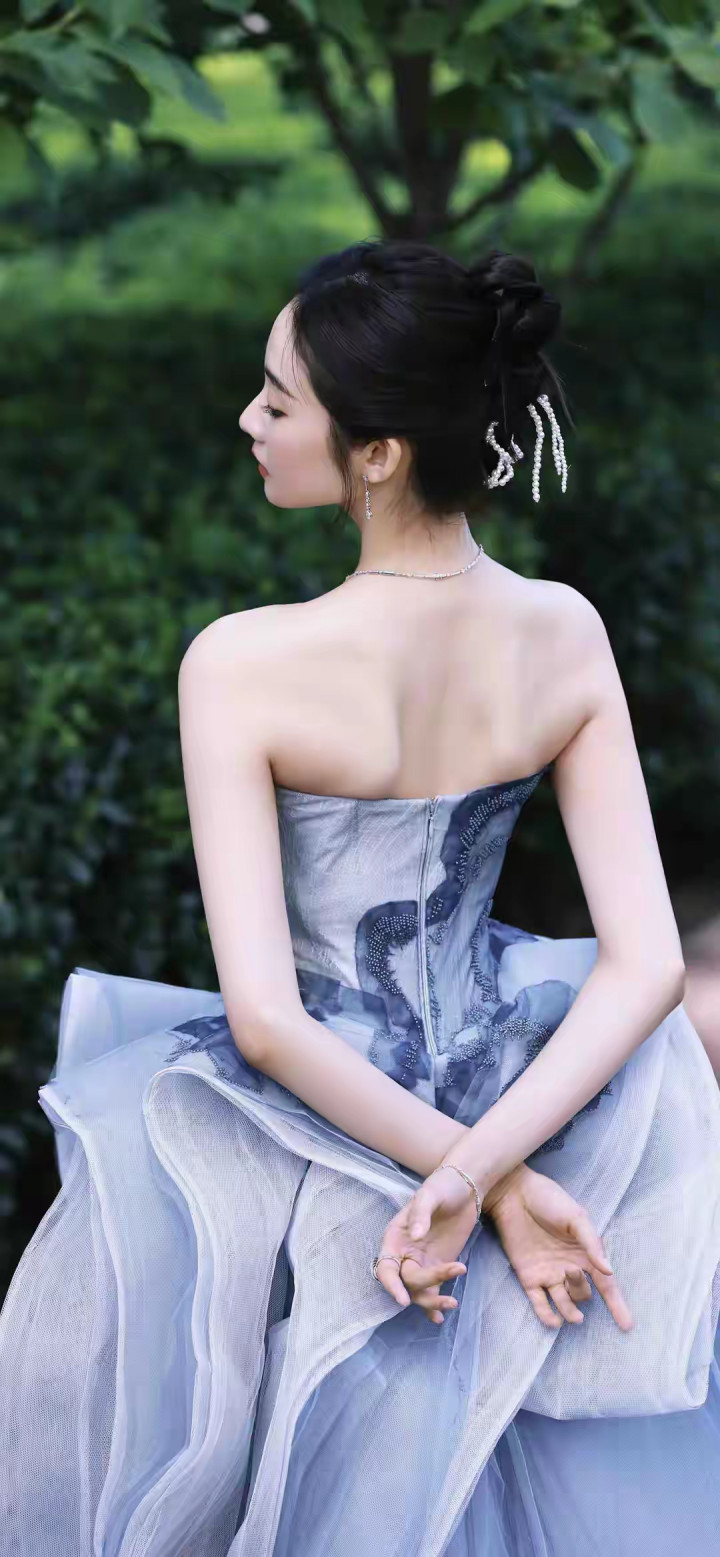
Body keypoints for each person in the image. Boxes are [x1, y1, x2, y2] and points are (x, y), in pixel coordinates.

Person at [1, 240, 719, 1557]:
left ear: (377, 452)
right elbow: (647, 966)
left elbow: (270, 1022)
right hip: (526, 1093)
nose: (249, 419)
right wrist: (494, 1174)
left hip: (310, 1132)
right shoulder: (564, 629)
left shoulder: (241, 662)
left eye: (279, 400)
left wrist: (463, 1179)